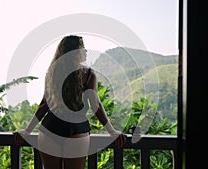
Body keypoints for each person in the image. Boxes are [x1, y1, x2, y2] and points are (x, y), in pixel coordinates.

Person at [13, 35, 127, 169]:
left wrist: (28, 130)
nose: (86, 51)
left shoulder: (52, 72)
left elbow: (44, 105)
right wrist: (111, 131)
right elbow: (95, 105)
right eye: (82, 48)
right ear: (74, 52)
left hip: (50, 130)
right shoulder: (88, 74)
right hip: (76, 131)